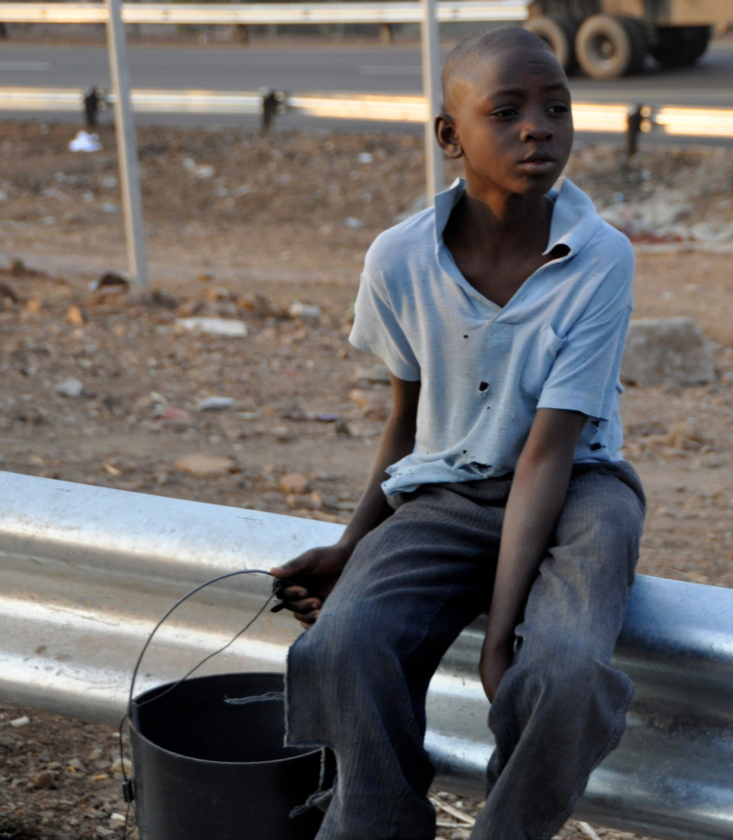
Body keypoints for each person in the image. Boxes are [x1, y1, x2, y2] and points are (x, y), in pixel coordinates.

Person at [271, 25, 646, 840]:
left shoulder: (600, 256)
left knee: (564, 675)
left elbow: (548, 451)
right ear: (450, 136)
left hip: (579, 489)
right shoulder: (399, 259)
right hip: (448, 490)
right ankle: (377, 824)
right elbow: (407, 422)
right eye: (506, 112)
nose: (538, 129)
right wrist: (351, 547)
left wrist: (498, 641)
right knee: (342, 644)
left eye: (556, 108)